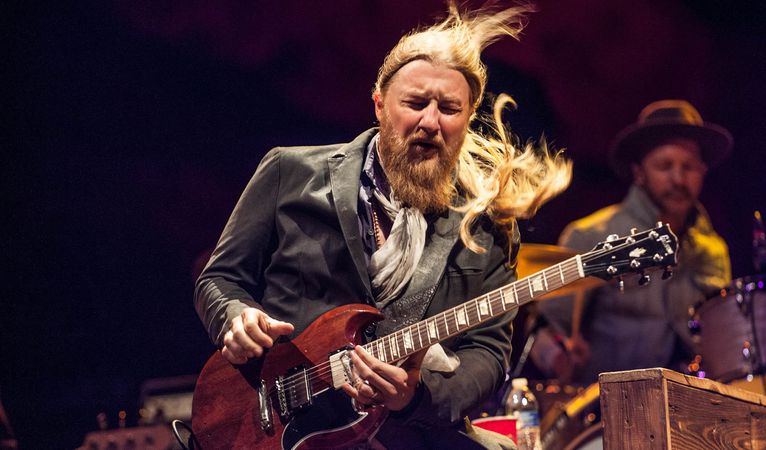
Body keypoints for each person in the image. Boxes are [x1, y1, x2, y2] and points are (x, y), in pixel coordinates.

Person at [194, 3, 571, 448]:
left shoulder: (486, 226)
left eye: (449, 108)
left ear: (467, 120)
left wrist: (415, 398)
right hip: (280, 423)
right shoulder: (288, 172)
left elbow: (487, 355)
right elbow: (220, 279)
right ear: (379, 104)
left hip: (407, 430)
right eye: (415, 103)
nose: (430, 122)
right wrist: (235, 318)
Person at [530, 99, 732, 386]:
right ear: (639, 173)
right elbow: (543, 330)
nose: (678, 178)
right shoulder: (591, 235)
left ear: (702, 172)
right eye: (664, 166)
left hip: (694, 403)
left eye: (689, 167)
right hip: (608, 408)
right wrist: (558, 356)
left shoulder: (714, 249)